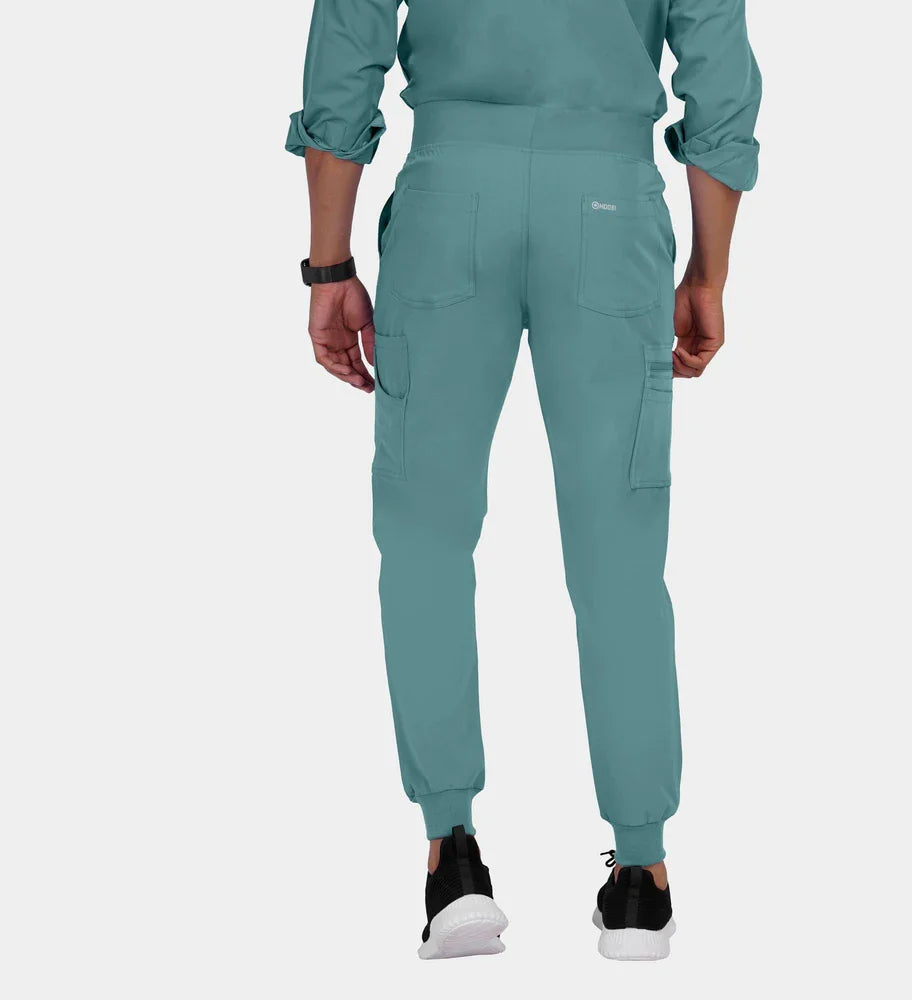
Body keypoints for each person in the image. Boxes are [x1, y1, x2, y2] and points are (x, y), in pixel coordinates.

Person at [287, 0, 760, 962]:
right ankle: (641, 877)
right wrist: (709, 271)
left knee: (424, 535)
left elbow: (349, 36)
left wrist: (328, 261)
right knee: (620, 552)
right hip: (610, 205)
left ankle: (452, 859)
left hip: (449, 196)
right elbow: (716, 64)